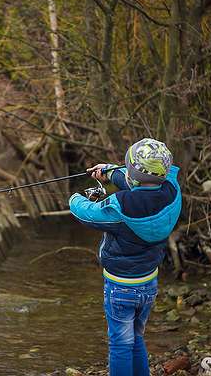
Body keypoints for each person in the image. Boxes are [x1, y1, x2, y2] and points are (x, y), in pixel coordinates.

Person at [69, 138, 182, 376]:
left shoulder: (121, 206)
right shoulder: (172, 190)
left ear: (132, 174)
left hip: (120, 286)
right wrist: (109, 173)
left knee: (120, 343)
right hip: (149, 282)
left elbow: (88, 214)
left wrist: (74, 198)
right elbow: (142, 182)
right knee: (136, 337)